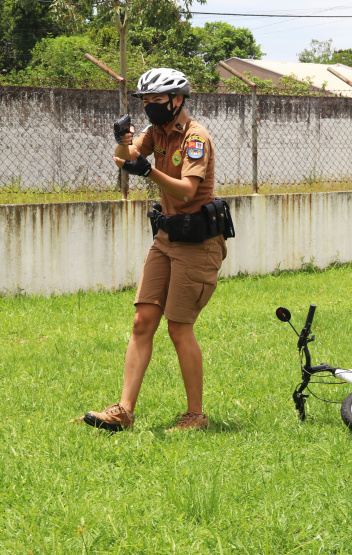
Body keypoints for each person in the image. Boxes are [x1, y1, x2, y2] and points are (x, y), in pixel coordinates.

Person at [80, 68, 226, 432]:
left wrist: (148, 172)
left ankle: (195, 416)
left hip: (197, 243)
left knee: (178, 327)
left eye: (157, 100)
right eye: (145, 101)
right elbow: (125, 158)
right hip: (165, 238)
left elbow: (187, 191)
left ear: (177, 100)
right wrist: (122, 140)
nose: (150, 107)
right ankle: (123, 412)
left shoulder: (195, 137)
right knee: (142, 320)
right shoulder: (156, 132)